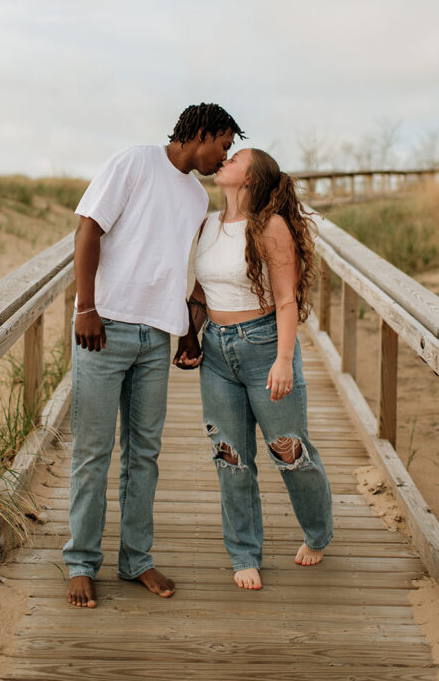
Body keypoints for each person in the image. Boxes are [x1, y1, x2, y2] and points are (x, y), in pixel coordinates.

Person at [63, 103, 245, 608]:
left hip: (154, 339)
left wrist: (186, 326)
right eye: (224, 144)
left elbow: (174, 263)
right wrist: (86, 307)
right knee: (93, 452)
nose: (223, 156)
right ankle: (81, 561)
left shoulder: (194, 196)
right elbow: (88, 231)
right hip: (105, 328)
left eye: (231, 150)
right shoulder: (135, 162)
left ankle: (135, 559)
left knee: (144, 455)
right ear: (202, 132)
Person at [174, 147, 333, 591]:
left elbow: (286, 299)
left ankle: (318, 532)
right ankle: (244, 552)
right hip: (217, 353)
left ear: (251, 178)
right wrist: (190, 335)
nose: (224, 159)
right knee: (230, 457)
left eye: (236, 158)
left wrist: (284, 360)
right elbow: (202, 294)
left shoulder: (271, 227)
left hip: (264, 346)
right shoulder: (207, 223)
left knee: (290, 452)